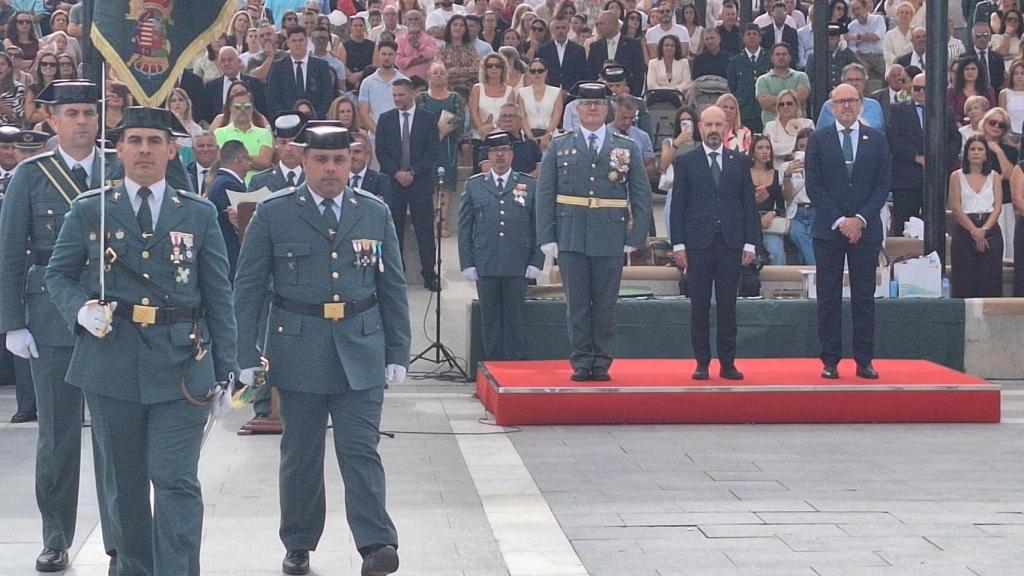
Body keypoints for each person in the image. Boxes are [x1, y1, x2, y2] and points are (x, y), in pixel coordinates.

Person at [45, 104, 236, 576]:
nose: (145, 149)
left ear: (173, 150)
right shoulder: (92, 208)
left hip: (180, 365)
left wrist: (227, 367)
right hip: (111, 364)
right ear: (119, 149)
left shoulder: (198, 213)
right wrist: (80, 310)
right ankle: (134, 567)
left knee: (174, 478)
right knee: (124, 484)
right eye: (135, 141)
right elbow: (58, 275)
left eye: (155, 141)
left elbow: (218, 292)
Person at [233, 122, 407, 576]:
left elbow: (392, 286)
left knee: (361, 449)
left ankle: (376, 544)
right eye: (321, 160)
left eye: (340, 160)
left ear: (351, 161)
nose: (331, 169)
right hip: (299, 347)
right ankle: (299, 542)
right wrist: (244, 356)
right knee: (301, 453)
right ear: (303, 160)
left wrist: (397, 351)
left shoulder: (374, 212)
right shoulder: (274, 212)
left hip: (361, 345)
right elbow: (248, 288)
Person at [0, 80, 120, 574]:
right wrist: (13, 323)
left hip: (115, 313)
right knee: (57, 435)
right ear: (51, 120)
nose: (82, 122)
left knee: (116, 436)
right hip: (49, 315)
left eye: (89, 113)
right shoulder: (31, 175)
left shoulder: (119, 166)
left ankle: (121, 537)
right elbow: (9, 251)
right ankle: (55, 536)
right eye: (71, 113)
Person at [535, 82, 652, 382]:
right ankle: (581, 360)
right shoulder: (560, 145)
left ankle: (601, 361)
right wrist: (546, 236)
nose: (592, 108)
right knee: (576, 304)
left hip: (610, 235)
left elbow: (640, 195)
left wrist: (635, 238)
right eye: (586, 104)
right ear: (577, 109)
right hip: (571, 233)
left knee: (605, 304)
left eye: (598, 104)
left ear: (607, 108)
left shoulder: (625, 147)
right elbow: (545, 193)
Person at [805, 83, 890, 380]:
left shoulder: (877, 140)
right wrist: (841, 220)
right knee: (828, 297)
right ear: (831, 106)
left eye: (852, 101)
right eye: (841, 102)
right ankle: (830, 360)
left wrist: (860, 220)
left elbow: (882, 185)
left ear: (861, 105)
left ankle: (864, 360)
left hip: (865, 232)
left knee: (864, 297)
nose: (847, 106)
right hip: (829, 231)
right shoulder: (818, 139)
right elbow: (813, 186)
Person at [670, 105, 758, 380]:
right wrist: (678, 245)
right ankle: (702, 362)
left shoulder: (740, 161)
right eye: (708, 125)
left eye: (718, 125)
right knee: (699, 306)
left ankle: (728, 362)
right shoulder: (686, 161)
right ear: (699, 128)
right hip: (698, 244)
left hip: (731, 243)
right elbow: (678, 208)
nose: (713, 131)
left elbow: (748, 206)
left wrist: (750, 244)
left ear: (726, 128)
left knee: (728, 307)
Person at [458, 131, 543, 360]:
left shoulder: (528, 184)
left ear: (512, 154)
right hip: (486, 261)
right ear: (488, 156)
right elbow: (465, 227)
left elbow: (538, 225)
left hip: (518, 261)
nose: (500, 156)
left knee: (515, 316)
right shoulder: (475, 185)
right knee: (490, 317)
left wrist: (537, 260)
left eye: (504, 151)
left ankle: (514, 366)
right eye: (495, 152)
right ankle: (493, 365)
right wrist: (467, 262)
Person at [375, 78, 440, 290]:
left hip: (419, 182)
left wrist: (413, 172)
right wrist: (396, 173)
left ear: (412, 94)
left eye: (401, 95)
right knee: (394, 229)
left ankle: (429, 273)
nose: (397, 99)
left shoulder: (427, 119)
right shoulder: (385, 119)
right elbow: (381, 151)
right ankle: (396, 274)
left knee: (425, 230)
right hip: (394, 183)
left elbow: (432, 152)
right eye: (394, 95)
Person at [950, 135, 1005, 297]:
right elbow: (955, 207)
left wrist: (984, 230)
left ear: (986, 154)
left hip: (990, 228)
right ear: (966, 154)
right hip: (965, 229)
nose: (976, 152)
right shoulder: (956, 176)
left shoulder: (994, 176)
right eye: (972, 149)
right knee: (965, 278)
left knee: (990, 279)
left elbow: (997, 206)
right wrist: (974, 231)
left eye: (980, 149)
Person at [417, 62, 464, 237]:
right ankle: (431, 222)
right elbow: (419, 120)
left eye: (442, 72)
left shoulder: (454, 98)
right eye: (435, 72)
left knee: (445, 185)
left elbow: (459, 118)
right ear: (429, 75)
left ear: (447, 77)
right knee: (430, 185)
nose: (438, 75)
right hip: (426, 147)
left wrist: (444, 130)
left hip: (448, 147)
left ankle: (443, 223)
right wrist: (434, 133)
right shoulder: (421, 98)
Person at [205, 139, 252, 279]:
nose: (250, 164)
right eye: (248, 160)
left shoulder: (220, 181)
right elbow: (242, 225)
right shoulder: (228, 185)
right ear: (240, 159)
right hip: (230, 255)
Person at [266, 26, 335, 119]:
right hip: (286, 122)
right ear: (288, 43)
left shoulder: (321, 66)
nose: (297, 44)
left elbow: (327, 96)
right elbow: (273, 97)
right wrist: (287, 119)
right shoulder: (277, 67)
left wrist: (314, 116)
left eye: (301, 40)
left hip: (315, 121)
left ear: (306, 41)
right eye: (294, 41)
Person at [214, 90, 274, 183]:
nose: (242, 110)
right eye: (237, 107)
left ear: (252, 108)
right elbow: (222, 162)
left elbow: (264, 162)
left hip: (258, 187)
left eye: (247, 107)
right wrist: (253, 160)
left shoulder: (265, 133)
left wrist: (236, 159)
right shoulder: (219, 133)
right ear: (230, 108)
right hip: (230, 185)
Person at [586, 10, 646, 96]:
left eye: (602, 24)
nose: (598, 27)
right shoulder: (595, 47)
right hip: (601, 97)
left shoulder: (633, 45)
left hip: (626, 97)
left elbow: (638, 73)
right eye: (597, 24)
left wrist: (633, 96)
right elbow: (590, 73)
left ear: (613, 24)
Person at [750, 134, 787, 264]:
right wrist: (754, 201)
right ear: (753, 151)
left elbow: (782, 206)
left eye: (767, 148)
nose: (764, 151)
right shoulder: (744, 173)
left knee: (777, 252)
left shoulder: (776, 174)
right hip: (750, 223)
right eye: (760, 148)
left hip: (769, 223)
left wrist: (772, 213)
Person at [817, 63, 887, 132]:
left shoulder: (874, 105)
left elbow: (882, 133)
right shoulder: (830, 105)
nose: (854, 83)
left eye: (858, 80)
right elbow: (821, 135)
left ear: (865, 81)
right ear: (843, 82)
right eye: (850, 80)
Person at [755, 41, 810, 129]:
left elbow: (801, 98)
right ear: (772, 58)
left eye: (784, 54)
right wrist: (791, 101)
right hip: (772, 130)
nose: (781, 57)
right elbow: (764, 103)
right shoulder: (762, 80)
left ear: (790, 57)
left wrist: (774, 102)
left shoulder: (801, 77)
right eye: (777, 54)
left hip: (798, 130)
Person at [727, 24, 771, 133]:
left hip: (765, 109)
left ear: (760, 38)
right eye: (748, 34)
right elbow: (732, 86)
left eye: (755, 34)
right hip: (744, 110)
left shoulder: (769, 58)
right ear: (743, 38)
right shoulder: (734, 61)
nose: (752, 37)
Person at [249, 112, 308, 193]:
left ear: (302, 144)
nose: (288, 148)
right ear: (276, 145)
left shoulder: (314, 178)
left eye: (293, 142)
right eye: (283, 143)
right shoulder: (260, 182)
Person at [358, 40, 407, 135]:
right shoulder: (367, 82)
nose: (386, 57)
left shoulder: (405, 81)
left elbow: (407, 109)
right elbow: (364, 113)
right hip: (375, 137)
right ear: (378, 55)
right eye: (383, 54)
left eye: (390, 54)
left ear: (395, 56)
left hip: (399, 135)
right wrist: (378, 132)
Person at [782, 127, 815, 264]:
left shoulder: (823, 166)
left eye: (809, 147)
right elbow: (786, 196)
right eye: (801, 147)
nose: (805, 150)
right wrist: (787, 176)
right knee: (799, 234)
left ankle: (810, 269)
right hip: (796, 213)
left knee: (814, 236)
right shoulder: (786, 167)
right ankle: (815, 269)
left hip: (816, 211)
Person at [469, 52, 516, 145]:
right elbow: (473, 111)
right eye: (490, 66)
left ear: (503, 69)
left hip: (503, 136)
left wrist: (492, 126)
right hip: (480, 137)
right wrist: (481, 128)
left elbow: (509, 115)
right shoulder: (477, 88)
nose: (494, 68)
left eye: (497, 66)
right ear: (485, 69)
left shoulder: (510, 91)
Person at [518, 58, 563, 147]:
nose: (537, 73)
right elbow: (522, 116)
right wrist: (530, 136)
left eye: (540, 71)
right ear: (529, 73)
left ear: (546, 72)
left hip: (551, 135)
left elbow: (556, 116)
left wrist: (548, 135)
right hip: (528, 134)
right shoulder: (522, 92)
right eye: (533, 71)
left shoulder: (556, 92)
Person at [764, 88, 814, 162]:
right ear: (778, 108)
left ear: (796, 105)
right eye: (781, 104)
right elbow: (771, 148)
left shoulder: (808, 124)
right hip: (777, 169)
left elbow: (810, 147)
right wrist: (796, 147)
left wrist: (782, 148)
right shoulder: (770, 126)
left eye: (789, 103)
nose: (785, 107)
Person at [846, 0, 886, 92]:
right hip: (863, 57)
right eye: (854, 10)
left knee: (889, 75)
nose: (856, 12)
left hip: (880, 55)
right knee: (859, 76)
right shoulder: (852, 26)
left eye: (858, 9)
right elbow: (852, 47)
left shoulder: (878, 19)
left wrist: (857, 37)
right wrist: (858, 57)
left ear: (865, 8)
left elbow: (876, 36)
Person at [949, 55, 997, 124]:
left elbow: (992, 112)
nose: (970, 72)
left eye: (973, 69)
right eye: (967, 69)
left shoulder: (988, 91)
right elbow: (952, 114)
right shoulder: (952, 92)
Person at [349, 131, 391, 203]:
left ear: (367, 154)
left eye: (357, 152)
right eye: (349, 152)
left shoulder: (380, 180)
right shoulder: (338, 179)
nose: (352, 156)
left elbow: (383, 209)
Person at [395, 10, 437, 81]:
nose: (413, 21)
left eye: (416, 19)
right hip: (405, 80)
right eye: (410, 19)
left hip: (425, 80)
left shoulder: (430, 39)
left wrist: (418, 46)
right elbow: (399, 62)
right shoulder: (399, 40)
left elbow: (431, 55)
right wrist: (421, 59)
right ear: (406, 22)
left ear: (421, 22)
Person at [965, 21, 1006, 92]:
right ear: (972, 38)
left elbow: (1000, 81)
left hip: (994, 94)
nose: (982, 39)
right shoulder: (965, 58)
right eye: (978, 36)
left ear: (990, 37)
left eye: (985, 36)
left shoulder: (997, 58)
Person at [884, 2, 915, 69]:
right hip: (895, 69)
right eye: (901, 12)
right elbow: (887, 53)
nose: (904, 15)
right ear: (897, 15)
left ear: (911, 16)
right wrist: (899, 62)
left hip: (912, 67)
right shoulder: (890, 34)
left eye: (907, 13)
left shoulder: (915, 32)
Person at [999, 60, 1024, 139]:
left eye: (1022, 73)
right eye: (1016, 73)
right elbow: (1001, 117)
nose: (1019, 76)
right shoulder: (1004, 93)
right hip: (1010, 135)